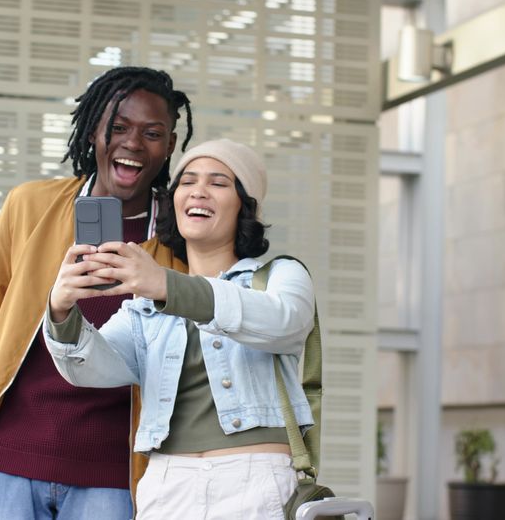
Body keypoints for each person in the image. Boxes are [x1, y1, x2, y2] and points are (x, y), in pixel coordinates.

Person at [0, 67, 193, 520]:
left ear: (170, 145)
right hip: (7, 462)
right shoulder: (30, 207)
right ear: (94, 131)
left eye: (152, 133)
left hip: (113, 478)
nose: (133, 143)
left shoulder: (178, 242)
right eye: (118, 128)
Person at [43, 139, 317, 519]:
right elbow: (90, 369)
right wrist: (60, 309)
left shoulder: (278, 276)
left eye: (218, 183)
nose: (198, 191)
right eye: (187, 182)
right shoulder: (144, 305)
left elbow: (284, 322)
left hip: (255, 480)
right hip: (167, 484)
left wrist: (166, 285)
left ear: (245, 205)